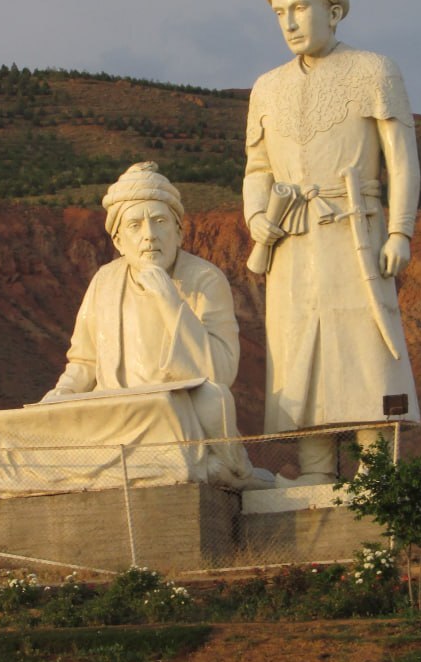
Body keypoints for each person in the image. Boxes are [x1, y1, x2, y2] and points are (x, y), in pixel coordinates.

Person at [244, 0, 421, 485]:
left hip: (355, 234)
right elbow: (256, 166)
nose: (290, 22)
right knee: (301, 357)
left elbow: (403, 160)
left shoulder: (373, 70)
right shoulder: (267, 87)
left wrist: (399, 230)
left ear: (333, 11)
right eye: (280, 13)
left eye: (299, 8)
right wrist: (256, 216)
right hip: (292, 241)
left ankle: (375, 480)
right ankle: (316, 474)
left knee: (366, 353)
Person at [45, 161, 272, 490]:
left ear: (179, 231)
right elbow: (84, 362)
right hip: (115, 411)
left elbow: (220, 373)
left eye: (159, 221)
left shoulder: (205, 279)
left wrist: (170, 301)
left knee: (204, 401)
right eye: (135, 225)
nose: (149, 235)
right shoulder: (105, 281)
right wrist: (63, 393)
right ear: (119, 240)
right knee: (37, 431)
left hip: (175, 412)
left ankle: (220, 465)